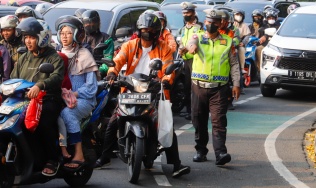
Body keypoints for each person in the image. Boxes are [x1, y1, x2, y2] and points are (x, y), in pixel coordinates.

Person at [94, 12, 191, 178]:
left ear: (157, 31)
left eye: (151, 29)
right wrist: (112, 74)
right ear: (138, 30)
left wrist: (167, 79)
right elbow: (117, 61)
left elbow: (168, 68)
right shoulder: (129, 45)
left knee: (166, 127)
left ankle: (176, 164)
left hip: (155, 91)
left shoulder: (164, 48)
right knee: (113, 121)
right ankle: (104, 157)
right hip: (131, 89)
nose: (147, 32)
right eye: (144, 29)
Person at [11, 17, 64, 176]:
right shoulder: (24, 57)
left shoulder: (53, 57)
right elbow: (13, 78)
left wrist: (40, 85)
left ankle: (52, 159)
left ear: (42, 37)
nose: (28, 41)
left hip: (48, 99)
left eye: (32, 37)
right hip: (25, 101)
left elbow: (57, 76)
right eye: (26, 37)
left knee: (43, 123)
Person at [187, 9, 240, 165]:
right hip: (198, 87)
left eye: (214, 23)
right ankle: (200, 151)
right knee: (199, 120)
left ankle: (221, 153)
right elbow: (190, 45)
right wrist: (190, 48)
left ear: (220, 24)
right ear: (205, 22)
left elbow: (234, 63)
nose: (211, 25)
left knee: (218, 121)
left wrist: (236, 83)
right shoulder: (197, 37)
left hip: (219, 88)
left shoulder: (227, 41)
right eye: (208, 22)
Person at [55, 15, 98, 170]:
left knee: (67, 114)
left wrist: (73, 94)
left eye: (68, 33)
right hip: (59, 97)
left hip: (83, 100)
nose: (64, 36)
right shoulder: (55, 54)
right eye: (62, 33)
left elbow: (91, 87)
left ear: (75, 34)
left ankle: (78, 152)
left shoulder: (84, 54)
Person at [177, 2, 203, 120]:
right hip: (185, 60)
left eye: (187, 12)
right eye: (184, 13)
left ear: (193, 13)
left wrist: (185, 49)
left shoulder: (198, 28)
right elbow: (180, 42)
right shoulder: (182, 29)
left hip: (195, 60)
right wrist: (181, 48)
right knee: (187, 85)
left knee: (195, 86)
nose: (185, 14)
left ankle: (196, 111)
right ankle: (188, 110)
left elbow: (196, 43)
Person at [255, 7, 280, 72]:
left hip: (276, 46)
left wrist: (266, 36)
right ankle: (259, 69)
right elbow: (259, 33)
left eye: (272, 18)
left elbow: (277, 32)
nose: (271, 19)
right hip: (264, 45)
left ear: (276, 18)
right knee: (258, 49)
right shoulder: (263, 25)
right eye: (269, 18)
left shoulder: (279, 26)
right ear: (266, 18)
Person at [233, 9, 250, 75]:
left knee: (241, 50)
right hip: (229, 43)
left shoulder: (244, 25)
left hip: (239, 44)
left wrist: (243, 43)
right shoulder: (230, 24)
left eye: (240, 15)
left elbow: (247, 36)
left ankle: (242, 68)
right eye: (237, 15)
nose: (239, 16)